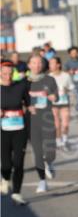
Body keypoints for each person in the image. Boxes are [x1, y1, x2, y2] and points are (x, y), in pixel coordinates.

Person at [1, 60, 31, 205]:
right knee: (6, 165)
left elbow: (29, 102)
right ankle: (5, 178)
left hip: (20, 129)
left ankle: (17, 193)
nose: (8, 76)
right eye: (4, 73)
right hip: (3, 131)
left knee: (18, 163)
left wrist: (31, 109)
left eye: (10, 73)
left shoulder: (20, 86)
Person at [27, 53, 58, 192]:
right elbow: (20, 100)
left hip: (47, 118)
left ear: (43, 65)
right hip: (32, 120)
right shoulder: (24, 81)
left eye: (39, 63)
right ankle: (42, 181)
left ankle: (50, 162)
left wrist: (53, 96)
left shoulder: (49, 80)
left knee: (50, 150)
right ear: (29, 65)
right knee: (37, 151)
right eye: (34, 63)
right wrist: (27, 107)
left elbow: (56, 96)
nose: (37, 65)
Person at [48, 57, 75, 149]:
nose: (50, 65)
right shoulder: (49, 77)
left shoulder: (66, 76)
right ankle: (58, 140)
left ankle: (65, 140)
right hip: (54, 103)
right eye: (50, 63)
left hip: (64, 102)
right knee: (56, 125)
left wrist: (66, 89)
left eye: (52, 63)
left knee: (65, 124)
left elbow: (72, 87)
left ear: (58, 65)